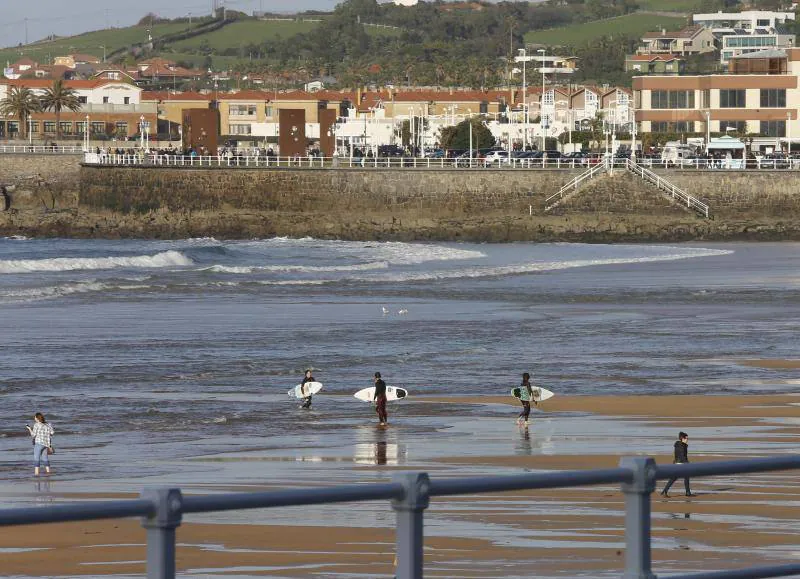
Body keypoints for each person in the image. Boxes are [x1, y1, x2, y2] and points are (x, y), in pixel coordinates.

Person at [660, 432, 694, 498]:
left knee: (674, 478)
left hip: (677, 463)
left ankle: (665, 491)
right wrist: (687, 462)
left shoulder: (679, 444)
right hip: (681, 463)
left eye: (687, 438)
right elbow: (682, 456)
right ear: (682, 438)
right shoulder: (682, 446)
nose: (687, 439)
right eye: (686, 438)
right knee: (686, 476)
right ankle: (687, 492)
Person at [26, 413, 54, 477]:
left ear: (37, 418)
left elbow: (33, 435)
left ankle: (36, 474)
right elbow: (52, 433)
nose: (34, 418)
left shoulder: (36, 425)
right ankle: (48, 472)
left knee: (36, 459)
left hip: (38, 443)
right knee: (45, 458)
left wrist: (29, 428)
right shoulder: (48, 424)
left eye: (35, 417)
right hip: (46, 444)